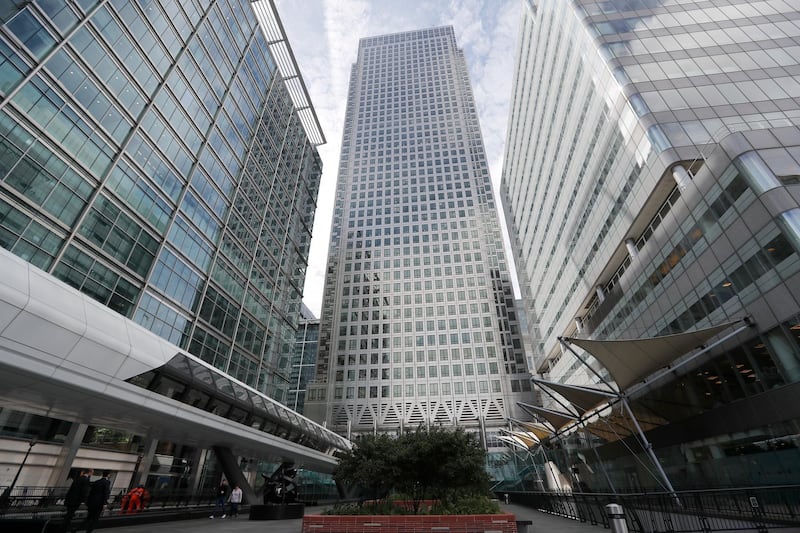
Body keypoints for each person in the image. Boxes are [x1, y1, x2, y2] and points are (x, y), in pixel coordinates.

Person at [61, 468, 92, 533]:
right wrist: (84, 500)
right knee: (70, 514)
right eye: (92, 472)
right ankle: (65, 528)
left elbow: (71, 489)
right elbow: (84, 491)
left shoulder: (78, 478)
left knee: (69, 513)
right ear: (89, 472)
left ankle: (66, 527)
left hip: (71, 499)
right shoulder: (86, 480)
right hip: (76, 500)